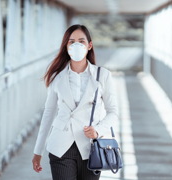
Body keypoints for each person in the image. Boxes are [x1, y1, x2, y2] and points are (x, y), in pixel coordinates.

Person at [32, 24, 119, 180]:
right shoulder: (56, 77)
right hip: (60, 147)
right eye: (71, 42)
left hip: (91, 148)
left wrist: (98, 129)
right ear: (66, 46)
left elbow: (113, 111)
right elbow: (49, 114)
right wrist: (38, 151)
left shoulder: (103, 75)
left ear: (89, 45)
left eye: (81, 41)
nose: (76, 45)